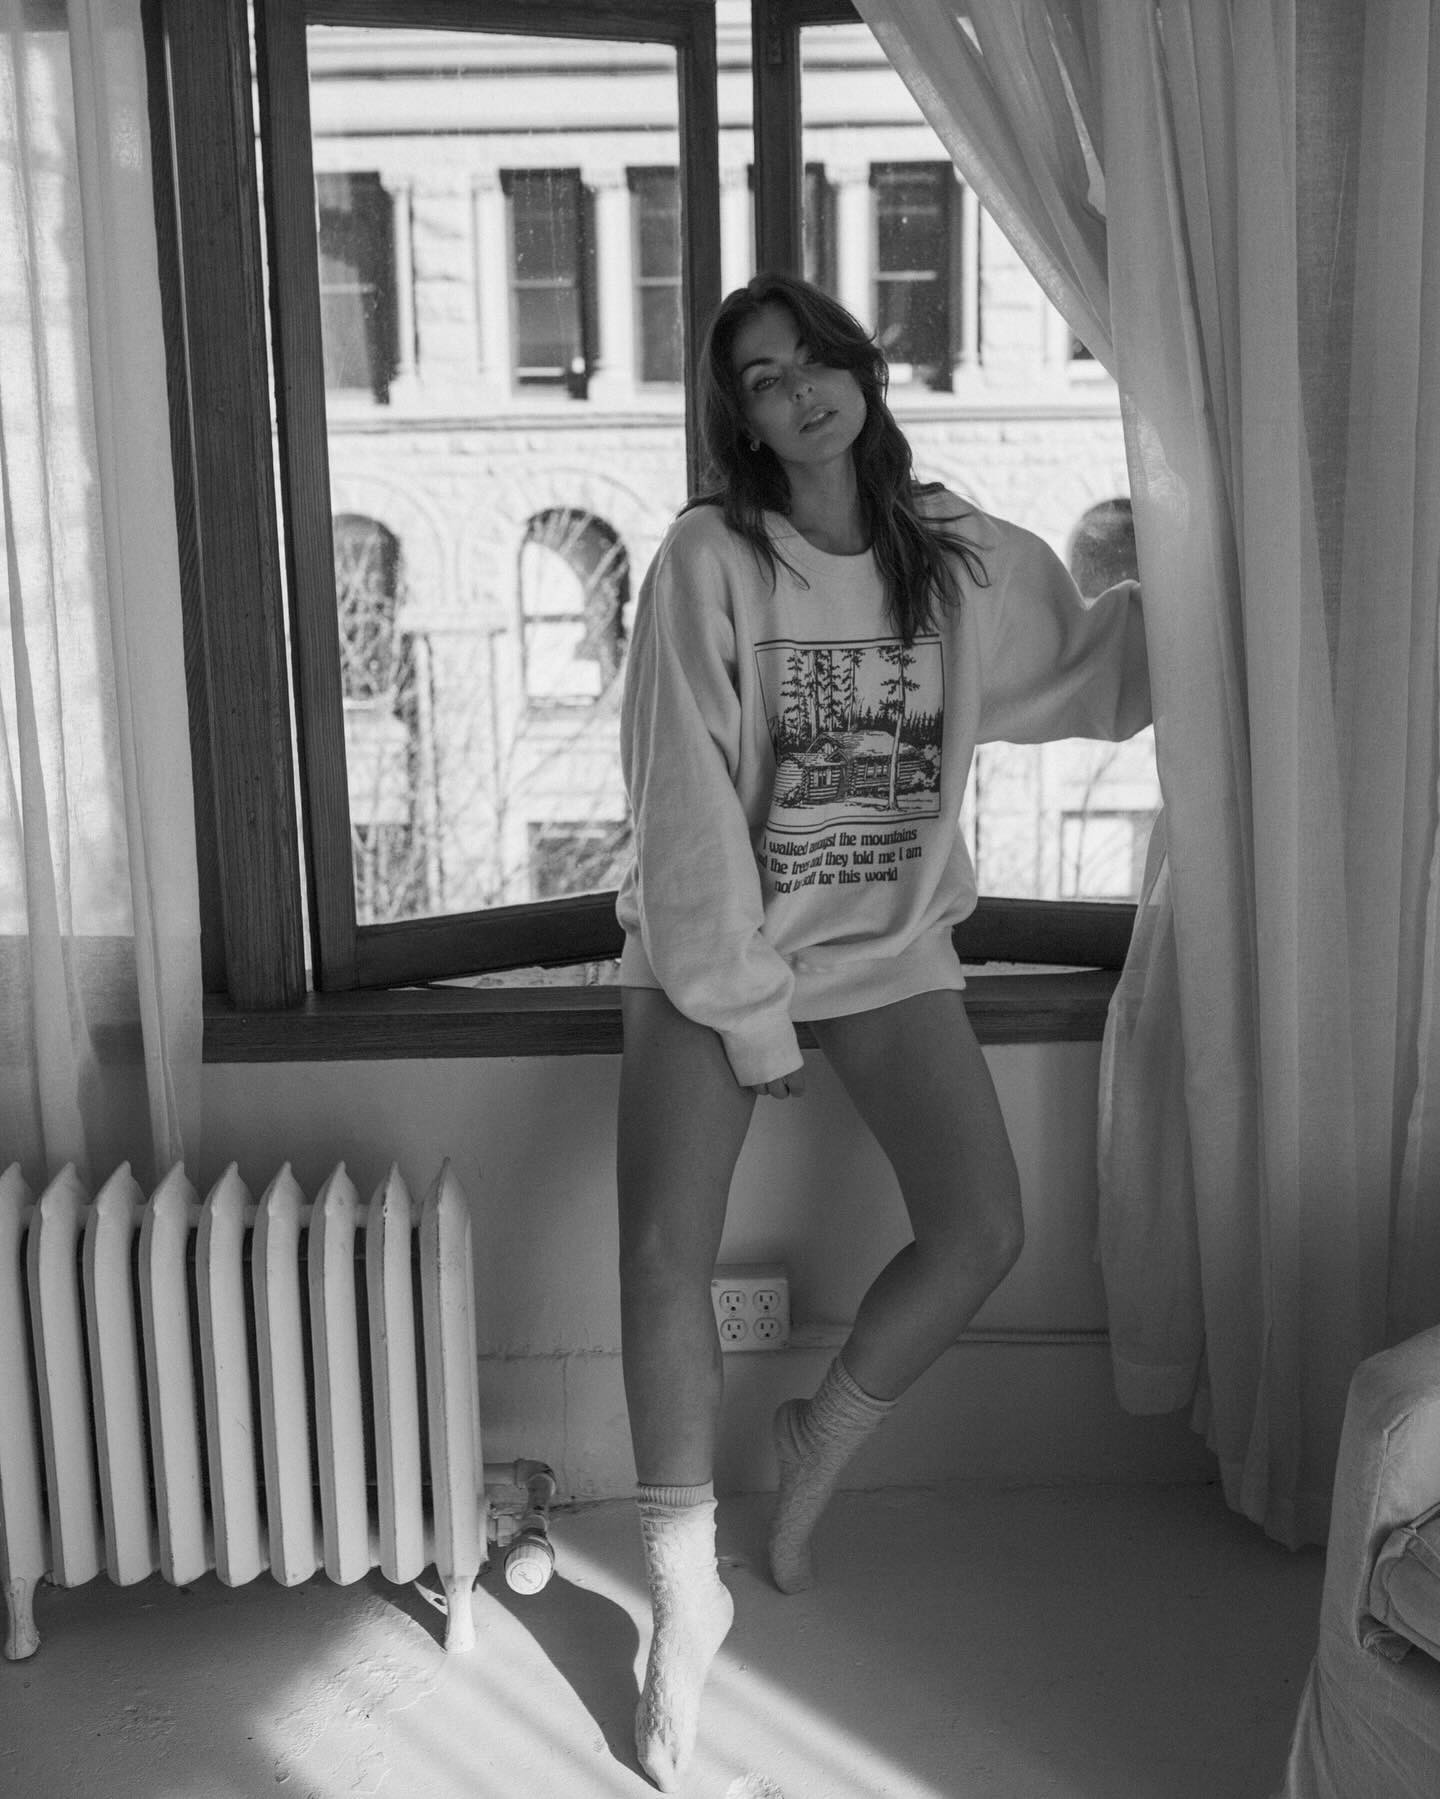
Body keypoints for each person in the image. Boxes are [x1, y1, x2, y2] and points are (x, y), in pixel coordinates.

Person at [614, 272, 1150, 1791]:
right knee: (659, 1253)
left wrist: (1239, 562)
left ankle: (818, 1439)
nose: (801, 393)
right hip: (715, 950)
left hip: (887, 946)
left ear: (858, 371)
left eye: (817, 361)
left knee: (982, 1228)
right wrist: (750, 1019)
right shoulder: (709, 559)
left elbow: (1098, 665)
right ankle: (682, 1590)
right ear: (739, 417)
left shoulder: (952, 551)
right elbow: (683, 806)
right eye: (762, 378)